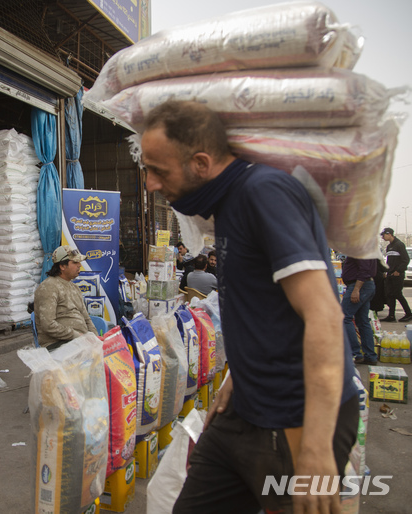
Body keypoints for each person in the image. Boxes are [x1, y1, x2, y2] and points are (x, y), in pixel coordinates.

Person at [140, 100, 358, 513]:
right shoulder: (229, 204)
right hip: (243, 409)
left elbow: (324, 315)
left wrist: (313, 447)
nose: (150, 183)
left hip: (295, 418)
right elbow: (263, 310)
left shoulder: (264, 192)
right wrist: (237, 377)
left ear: (201, 163)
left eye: (159, 170)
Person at [33, 245, 97, 349]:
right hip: (58, 344)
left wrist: (95, 338)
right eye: (75, 262)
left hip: (80, 342)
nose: (79, 265)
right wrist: (77, 336)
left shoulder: (74, 287)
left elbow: (86, 318)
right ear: (62, 266)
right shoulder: (48, 287)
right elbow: (48, 325)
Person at [340, 256, 377, 364]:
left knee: (344, 317)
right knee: (362, 321)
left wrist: (356, 289)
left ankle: (355, 353)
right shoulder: (364, 247)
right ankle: (370, 355)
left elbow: (364, 270)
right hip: (365, 285)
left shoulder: (360, 248)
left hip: (360, 285)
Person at [380, 228, 412, 322]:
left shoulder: (399, 245)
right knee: (390, 295)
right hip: (390, 275)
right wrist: (386, 271)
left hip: (398, 275)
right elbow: (389, 262)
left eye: (384, 235)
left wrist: (399, 270)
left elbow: (406, 259)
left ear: (389, 234)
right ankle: (391, 315)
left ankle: (408, 313)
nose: (382, 237)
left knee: (398, 294)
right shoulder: (389, 247)